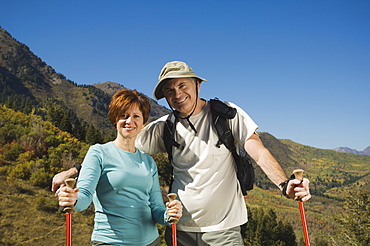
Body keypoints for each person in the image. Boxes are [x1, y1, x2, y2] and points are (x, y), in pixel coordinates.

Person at [53, 61, 311, 246]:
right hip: (179, 229)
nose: (177, 94)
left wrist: (284, 184)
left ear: (197, 84)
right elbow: (119, 149)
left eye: (182, 85)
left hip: (223, 230)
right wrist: (75, 170)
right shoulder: (163, 128)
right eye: (169, 90)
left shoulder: (226, 114)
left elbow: (258, 150)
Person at [56, 89, 182, 246]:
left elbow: (156, 209)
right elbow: (85, 195)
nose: (130, 121)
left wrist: (169, 215)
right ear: (115, 119)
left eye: (136, 116)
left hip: (151, 241)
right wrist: (72, 200)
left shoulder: (148, 162)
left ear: (143, 122)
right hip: (111, 242)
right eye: (124, 115)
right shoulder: (98, 153)